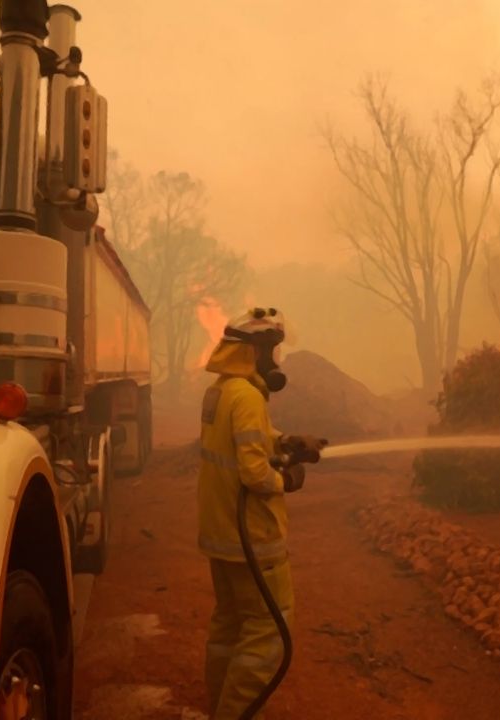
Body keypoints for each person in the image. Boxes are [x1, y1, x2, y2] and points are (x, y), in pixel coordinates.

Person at [197, 307, 324, 719]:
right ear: (253, 352)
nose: (276, 361)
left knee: (230, 631)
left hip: (223, 538)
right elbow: (253, 472)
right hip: (254, 539)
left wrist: (286, 440)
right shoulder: (248, 396)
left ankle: (220, 708)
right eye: (272, 352)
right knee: (267, 634)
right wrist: (286, 481)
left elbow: (248, 440)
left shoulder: (223, 390)